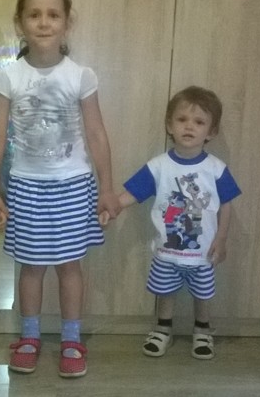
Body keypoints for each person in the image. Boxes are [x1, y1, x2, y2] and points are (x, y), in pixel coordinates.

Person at [0, 0, 120, 378]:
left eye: (53, 15)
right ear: (20, 23)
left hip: (74, 186)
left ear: (66, 22)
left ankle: (72, 339)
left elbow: (96, 133)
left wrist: (107, 188)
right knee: (31, 267)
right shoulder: (8, 77)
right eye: (34, 15)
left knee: (69, 266)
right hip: (26, 186)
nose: (44, 22)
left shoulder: (81, 76)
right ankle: (29, 337)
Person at [102, 86, 241, 360]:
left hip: (203, 253)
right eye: (182, 119)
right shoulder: (158, 166)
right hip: (166, 251)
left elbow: (226, 205)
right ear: (169, 125)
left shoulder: (216, 169)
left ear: (211, 132)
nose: (189, 126)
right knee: (165, 292)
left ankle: (202, 330)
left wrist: (222, 238)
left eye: (199, 122)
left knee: (203, 294)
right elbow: (133, 194)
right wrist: (112, 207)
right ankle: (162, 329)